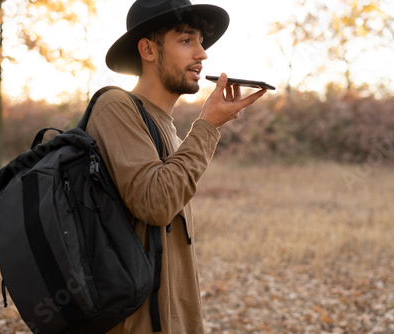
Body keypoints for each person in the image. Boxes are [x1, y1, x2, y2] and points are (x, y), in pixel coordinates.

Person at [87, 0, 267, 333]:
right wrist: (208, 125)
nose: (202, 54)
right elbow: (156, 203)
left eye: (201, 41)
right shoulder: (115, 107)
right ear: (148, 49)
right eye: (186, 40)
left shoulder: (165, 126)